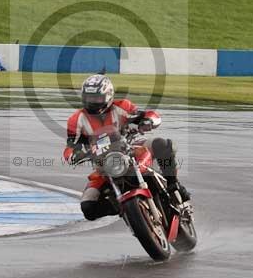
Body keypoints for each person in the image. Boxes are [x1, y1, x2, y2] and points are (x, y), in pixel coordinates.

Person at [62, 74, 190, 221]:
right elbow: (71, 146)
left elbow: (147, 115)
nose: (93, 102)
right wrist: (73, 155)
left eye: (97, 98)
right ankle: (123, 207)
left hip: (132, 148)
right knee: (88, 207)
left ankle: (174, 184)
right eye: (89, 98)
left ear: (108, 96)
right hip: (104, 164)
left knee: (163, 144)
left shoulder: (122, 106)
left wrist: (147, 121)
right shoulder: (76, 119)